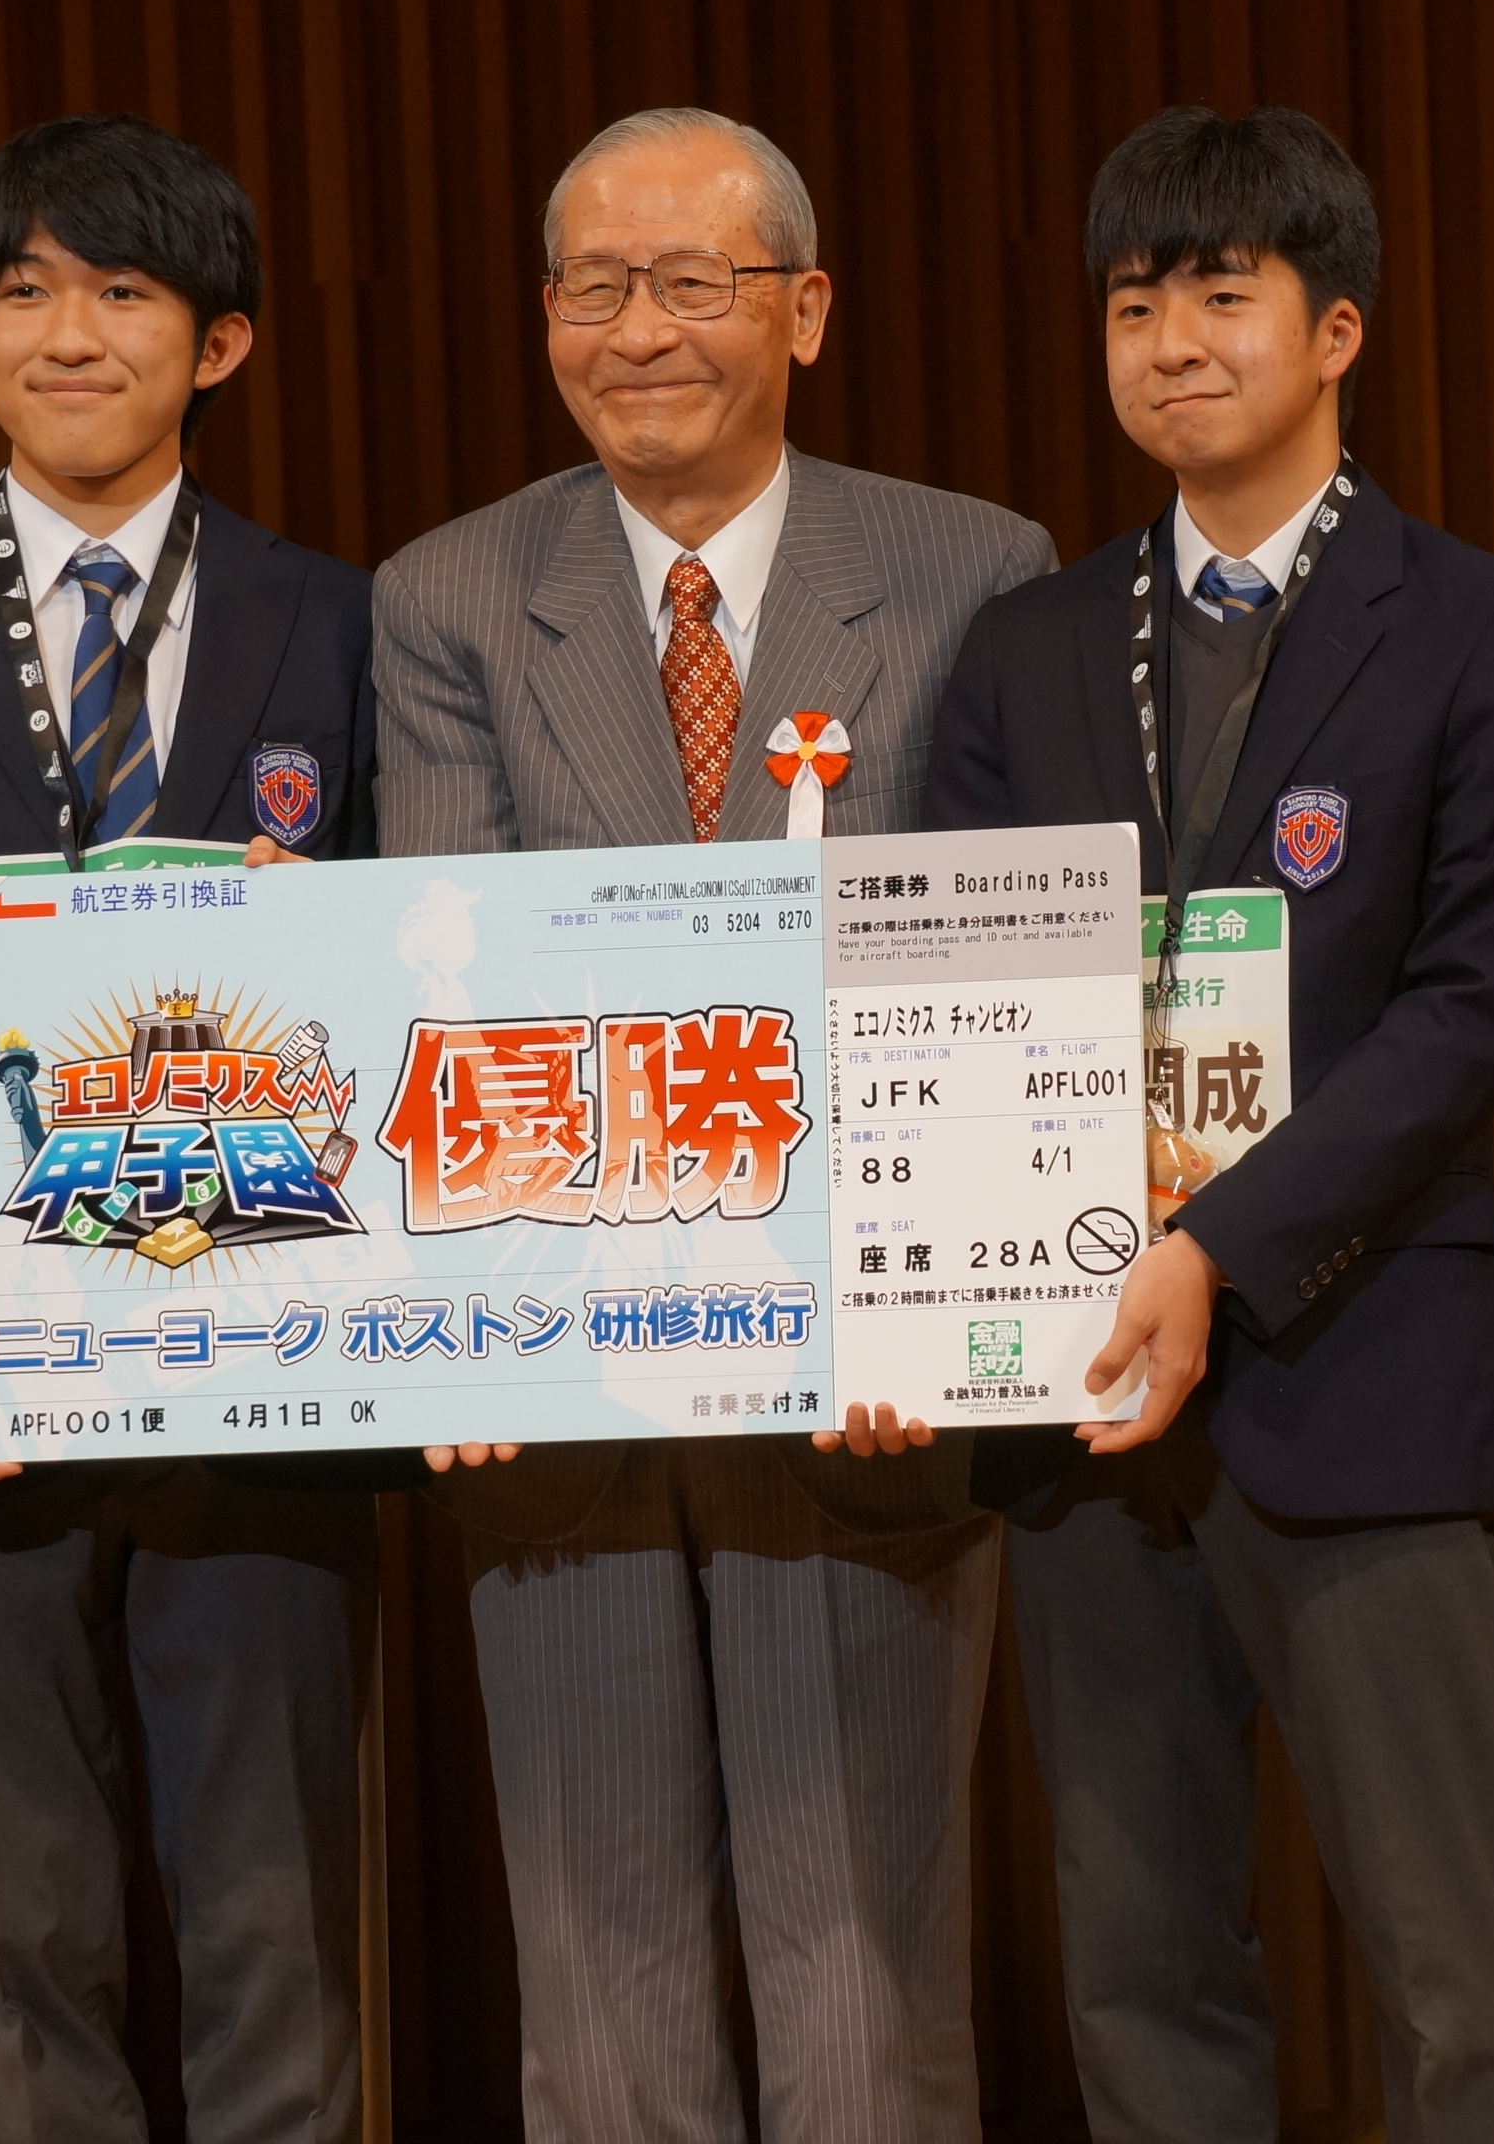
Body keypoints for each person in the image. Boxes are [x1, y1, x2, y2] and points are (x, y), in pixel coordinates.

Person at [369, 105, 1054, 2140]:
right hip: (556, 1406)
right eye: (593, 283)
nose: (635, 327)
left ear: (805, 308)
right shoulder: (447, 595)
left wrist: (918, 1326)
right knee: (600, 1992)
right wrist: (476, 1314)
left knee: (860, 1982)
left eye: (690, 280)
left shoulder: (967, 567)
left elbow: (993, 979)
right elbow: (448, 976)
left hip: (859, 1402)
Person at [925, 104, 1494, 2143]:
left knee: (1451, 1971)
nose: (1169, 343)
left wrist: (1210, 1244)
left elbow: (1474, 1000)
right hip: (1079, 1391)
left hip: (1355, 1353)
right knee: (1138, 1968)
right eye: (1133, 303)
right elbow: (949, 1000)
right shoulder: (1028, 642)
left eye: (1221, 294)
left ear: (1336, 330)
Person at [0, 115, 383, 2144]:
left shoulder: (343, 623)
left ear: (220, 344)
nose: (67, 331)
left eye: (121, 289)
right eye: (20, 290)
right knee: (15, 1948)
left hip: (271, 1364)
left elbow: (416, 992)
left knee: (276, 1931)